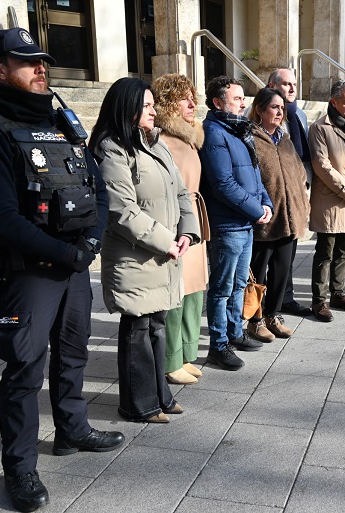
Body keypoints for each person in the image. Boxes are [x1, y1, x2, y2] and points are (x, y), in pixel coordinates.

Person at [0, 27, 123, 512]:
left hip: (75, 265)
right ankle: (20, 467)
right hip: (30, 271)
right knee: (24, 369)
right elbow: (2, 219)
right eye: (27, 62)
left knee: (73, 353)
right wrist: (64, 251)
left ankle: (71, 430)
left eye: (41, 61)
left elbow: (99, 188)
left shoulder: (63, 121)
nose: (40, 68)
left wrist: (90, 241)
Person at [90, 77, 201, 423]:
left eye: (154, 104)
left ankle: (159, 396)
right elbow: (122, 209)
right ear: (127, 107)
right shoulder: (111, 147)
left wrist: (187, 232)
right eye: (147, 105)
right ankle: (138, 404)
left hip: (165, 253)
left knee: (157, 325)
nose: (154, 111)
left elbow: (182, 193)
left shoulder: (155, 143)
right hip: (135, 256)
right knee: (138, 329)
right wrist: (164, 241)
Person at [199, 76, 273, 370]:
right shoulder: (214, 132)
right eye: (237, 98)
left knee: (240, 283)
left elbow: (255, 176)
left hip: (244, 222)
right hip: (227, 224)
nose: (244, 103)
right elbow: (222, 183)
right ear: (218, 103)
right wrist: (256, 209)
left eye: (243, 98)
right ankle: (218, 346)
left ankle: (235, 331)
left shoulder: (239, 130)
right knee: (222, 288)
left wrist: (264, 203)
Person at [152, 73, 209, 385]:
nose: (192, 103)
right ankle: (170, 359)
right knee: (176, 294)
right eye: (183, 98)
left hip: (194, 219)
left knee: (194, 292)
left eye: (193, 97)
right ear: (166, 103)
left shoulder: (190, 136)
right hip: (175, 224)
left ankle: (186, 354)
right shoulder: (161, 140)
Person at [246, 88, 310, 340]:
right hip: (264, 221)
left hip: (289, 218)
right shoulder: (249, 138)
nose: (280, 112)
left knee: (282, 271)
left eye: (282, 108)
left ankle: (273, 315)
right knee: (258, 274)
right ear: (259, 110)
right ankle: (255, 320)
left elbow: (298, 172)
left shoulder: (284, 138)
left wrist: (301, 199)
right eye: (274, 107)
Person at [308, 80, 345, 322]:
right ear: (334, 101)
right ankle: (319, 301)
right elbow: (322, 166)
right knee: (325, 252)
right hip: (331, 201)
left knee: (343, 251)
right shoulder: (320, 127)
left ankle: (338, 293)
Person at [266, 68, 312, 317]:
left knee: (288, 253)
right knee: (270, 255)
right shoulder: (268, 116)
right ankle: (264, 302)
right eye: (286, 84)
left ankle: (286, 298)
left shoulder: (300, 115)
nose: (292, 89)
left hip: (297, 188)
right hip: (274, 194)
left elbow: (304, 155)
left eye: (294, 84)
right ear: (272, 86)